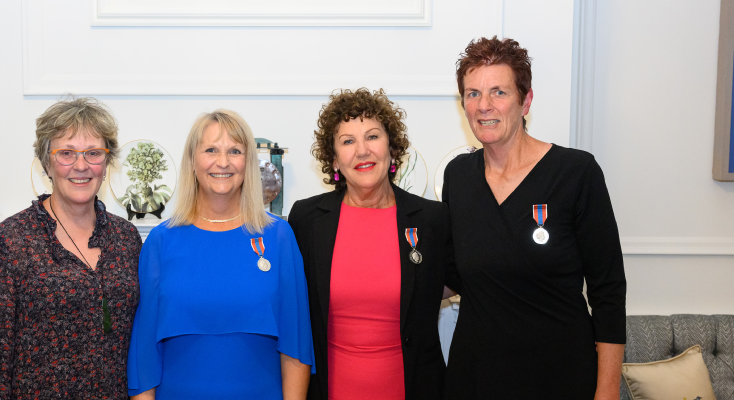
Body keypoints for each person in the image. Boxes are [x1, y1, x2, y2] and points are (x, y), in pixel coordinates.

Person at [442, 36, 627, 399]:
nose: (484, 106)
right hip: (476, 378)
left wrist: (606, 393)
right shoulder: (458, 176)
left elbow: (608, 293)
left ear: (526, 100)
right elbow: (452, 274)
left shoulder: (576, 173)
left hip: (559, 376)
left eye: (499, 92)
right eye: (473, 94)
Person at [0, 97, 142, 399]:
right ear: (46, 162)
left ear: (107, 163)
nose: (81, 166)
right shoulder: (6, 244)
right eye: (66, 153)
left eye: (93, 153)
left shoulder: (126, 239)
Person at [127, 110, 314, 400]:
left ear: (248, 163)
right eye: (211, 150)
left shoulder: (279, 236)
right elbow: (143, 354)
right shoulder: (161, 241)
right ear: (192, 161)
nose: (223, 162)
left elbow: (296, 344)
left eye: (235, 151)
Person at [288, 88, 457, 400]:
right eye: (348, 141)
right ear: (335, 160)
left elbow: (459, 280)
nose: (362, 150)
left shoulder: (432, 219)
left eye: (373, 137)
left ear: (391, 148)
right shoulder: (307, 219)